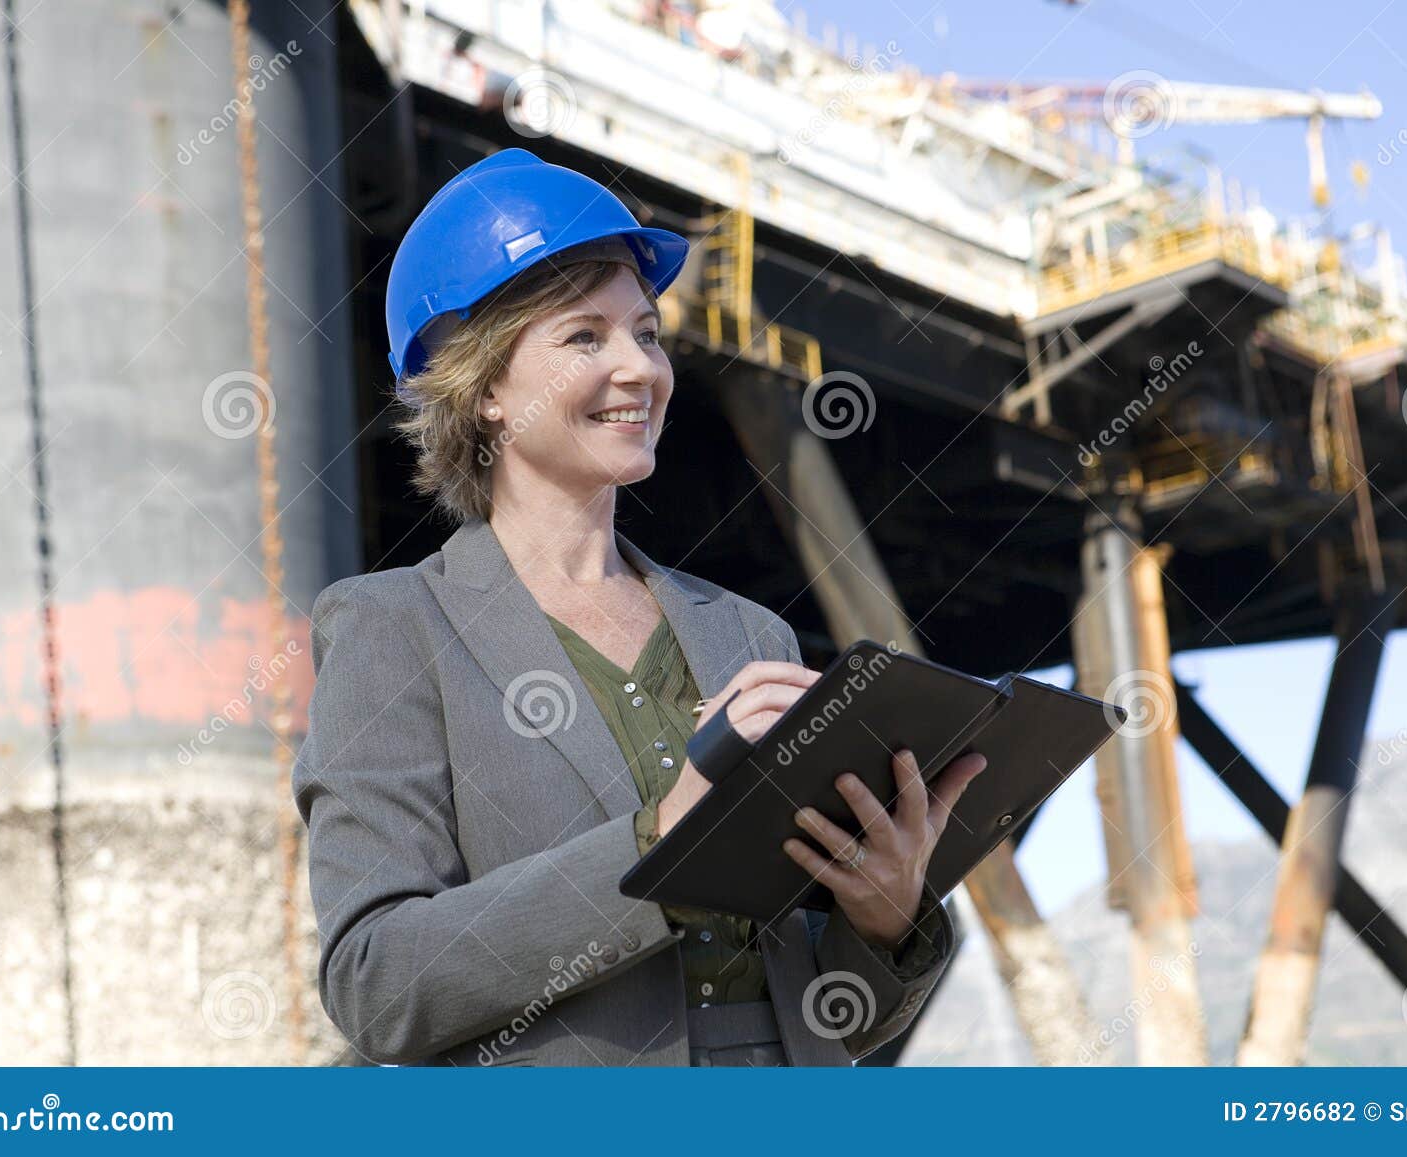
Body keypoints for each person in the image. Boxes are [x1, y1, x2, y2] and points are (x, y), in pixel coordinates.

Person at [292, 147, 989, 1066]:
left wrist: (883, 917)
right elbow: (377, 984)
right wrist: (657, 843)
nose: (641, 369)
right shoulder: (393, 630)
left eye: (648, 334)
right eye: (586, 338)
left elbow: (829, 1012)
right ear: (486, 387)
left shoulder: (751, 634)